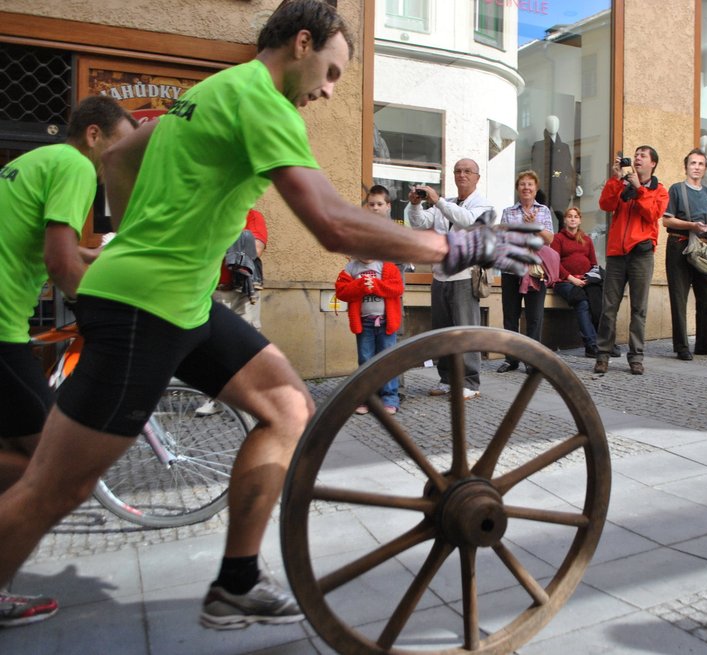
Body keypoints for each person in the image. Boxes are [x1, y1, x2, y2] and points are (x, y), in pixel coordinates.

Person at [0, 0, 540, 631]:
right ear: (302, 43)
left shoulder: (213, 90)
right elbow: (333, 224)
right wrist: (455, 244)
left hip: (184, 302)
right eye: (332, 73)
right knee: (54, 488)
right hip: (144, 309)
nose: (331, 92)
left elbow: (121, 159)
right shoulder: (262, 102)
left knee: (287, 407)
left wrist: (132, 233)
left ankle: (236, 582)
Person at [0, 95, 136, 628]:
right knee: (47, 467)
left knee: (19, 454)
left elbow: (43, 243)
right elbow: (58, 261)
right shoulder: (78, 166)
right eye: (121, 148)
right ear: (96, 135)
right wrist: (105, 319)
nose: (121, 161)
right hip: (2, 328)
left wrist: (96, 258)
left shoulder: (32, 161)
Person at [407, 159, 496, 398]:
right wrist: (415, 205)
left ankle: (470, 382)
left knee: (465, 331)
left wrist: (438, 201)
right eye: (457, 171)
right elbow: (418, 223)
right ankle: (446, 379)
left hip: (464, 276)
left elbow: (467, 222)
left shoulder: (482, 204)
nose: (462, 175)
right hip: (440, 276)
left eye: (467, 171)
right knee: (442, 332)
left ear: (477, 177)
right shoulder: (446, 203)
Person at [592, 146, 669, 375]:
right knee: (609, 308)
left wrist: (638, 188)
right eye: (636, 155)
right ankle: (602, 355)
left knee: (639, 309)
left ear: (652, 163)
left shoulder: (660, 190)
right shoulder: (622, 184)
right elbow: (605, 205)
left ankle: (636, 357)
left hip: (641, 254)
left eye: (642, 156)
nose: (637, 158)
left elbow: (653, 215)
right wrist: (616, 180)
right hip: (617, 253)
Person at [335, 190, 404, 415]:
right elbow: (342, 291)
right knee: (365, 360)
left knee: (387, 360)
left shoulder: (387, 266)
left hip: (385, 322)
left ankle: (390, 397)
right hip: (363, 322)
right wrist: (361, 286)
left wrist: (375, 286)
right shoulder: (351, 268)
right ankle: (366, 398)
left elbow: (397, 288)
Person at [196, 207, 270, 416]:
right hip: (213, 290)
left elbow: (255, 249)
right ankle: (213, 398)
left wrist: (219, 245)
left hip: (243, 292)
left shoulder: (253, 216)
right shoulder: (211, 214)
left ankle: (245, 401)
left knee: (245, 348)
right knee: (212, 347)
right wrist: (236, 244)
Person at [662, 148, 707, 361]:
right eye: (693, 163)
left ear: (705, 169)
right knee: (679, 297)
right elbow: (667, 220)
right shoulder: (676, 189)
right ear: (686, 166)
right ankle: (682, 346)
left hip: (702, 247)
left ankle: (705, 343)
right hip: (679, 245)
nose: (696, 167)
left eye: (701, 164)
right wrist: (691, 224)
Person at [496, 171, 554, 373]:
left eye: (530, 184)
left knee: (534, 316)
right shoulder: (508, 211)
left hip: (536, 270)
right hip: (512, 269)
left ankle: (533, 360)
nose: (526, 188)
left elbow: (549, 239)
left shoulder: (544, 210)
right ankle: (511, 359)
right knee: (510, 316)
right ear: (517, 188)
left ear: (536, 189)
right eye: (522, 184)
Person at [551, 206, 603, 357]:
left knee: (597, 301)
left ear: (580, 220)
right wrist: (572, 279)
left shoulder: (586, 239)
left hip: (585, 280)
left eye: (575, 216)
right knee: (582, 301)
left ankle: (605, 343)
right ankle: (591, 345)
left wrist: (588, 279)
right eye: (569, 216)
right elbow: (555, 263)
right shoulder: (557, 239)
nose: (573, 218)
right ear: (565, 220)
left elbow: (594, 264)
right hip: (564, 281)